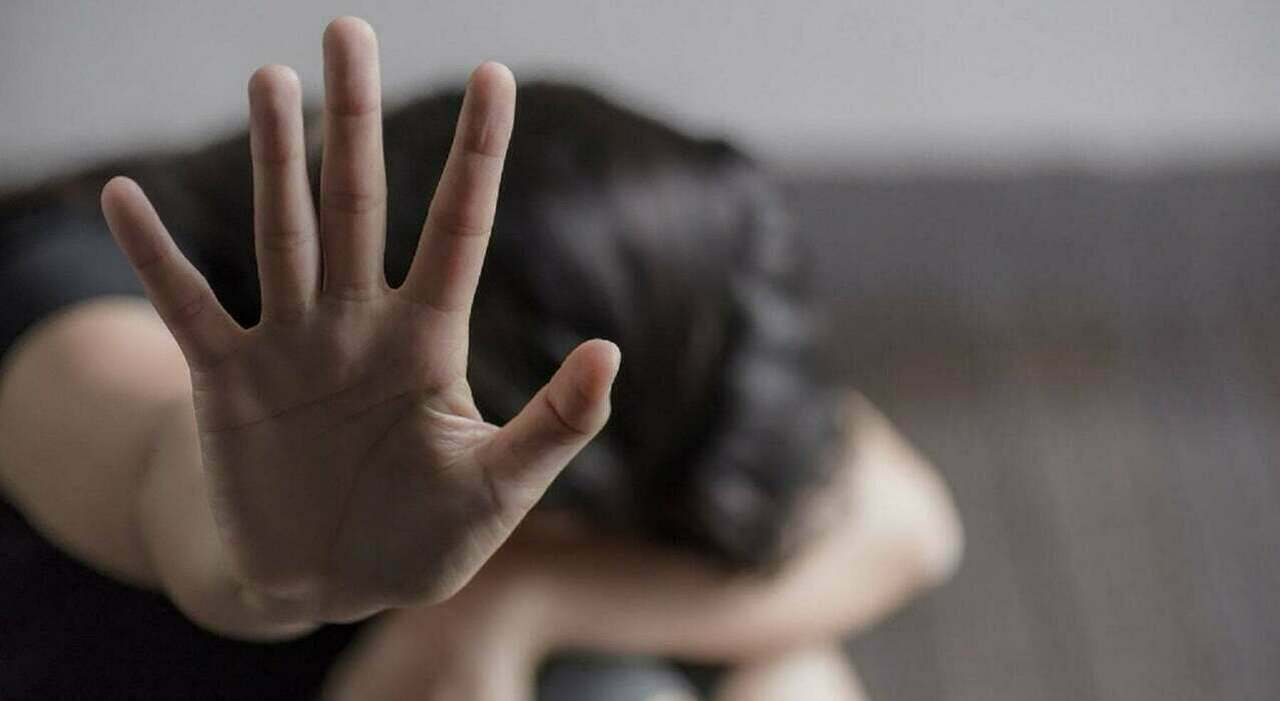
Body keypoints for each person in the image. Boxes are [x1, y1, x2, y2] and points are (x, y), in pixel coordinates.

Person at [0, 17, 962, 700]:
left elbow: (906, 521)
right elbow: (152, 460)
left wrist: (514, 603)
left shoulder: (665, 351)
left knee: (791, 677)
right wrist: (268, 563)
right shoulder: (69, 288)